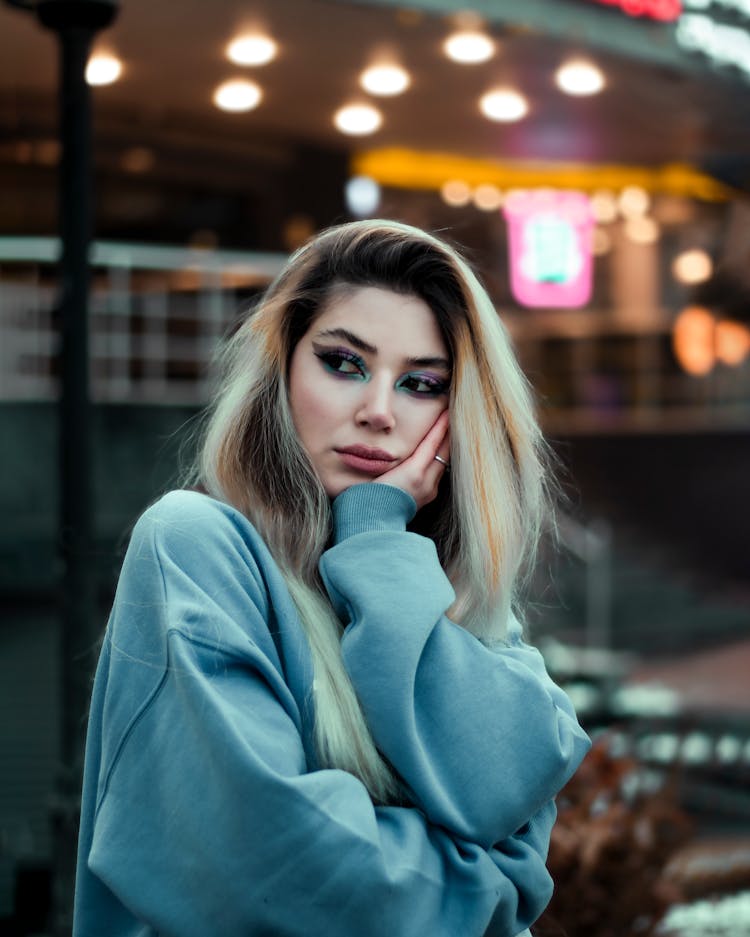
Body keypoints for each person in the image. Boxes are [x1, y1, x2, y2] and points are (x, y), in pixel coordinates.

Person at [72, 219, 591, 937]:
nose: (378, 410)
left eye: (420, 383)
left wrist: (376, 537)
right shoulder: (196, 546)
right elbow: (268, 870)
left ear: (456, 413)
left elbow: (511, 791)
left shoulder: (450, 601)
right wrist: (491, 894)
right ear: (284, 370)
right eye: (344, 363)